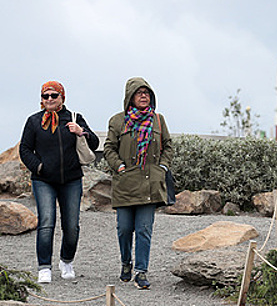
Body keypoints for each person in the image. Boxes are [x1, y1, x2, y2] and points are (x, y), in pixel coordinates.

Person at [19, 81, 99, 283]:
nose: (49, 99)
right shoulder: (34, 121)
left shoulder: (74, 118)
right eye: (45, 96)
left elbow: (95, 143)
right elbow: (25, 149)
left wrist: (81, 132)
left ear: (62, 97)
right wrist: (39, 167)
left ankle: (66, 260)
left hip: (71, 179)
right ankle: (44, 267)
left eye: (54, 95)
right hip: (43, 180)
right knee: (46, 222)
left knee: (72, 226)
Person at [103, 77, 173, 290]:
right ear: (130, 97)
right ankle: (126, 263)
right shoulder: (118, 121)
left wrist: (162, 167)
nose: (144, 95)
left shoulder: (158, 120)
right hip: (125, 183)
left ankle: (141, 271)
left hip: (149, 183)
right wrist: (119, 166)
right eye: (139, 92)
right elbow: (108, 148)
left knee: (144, 229)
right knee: (124, 229)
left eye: (147, 92)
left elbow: (168, 146)